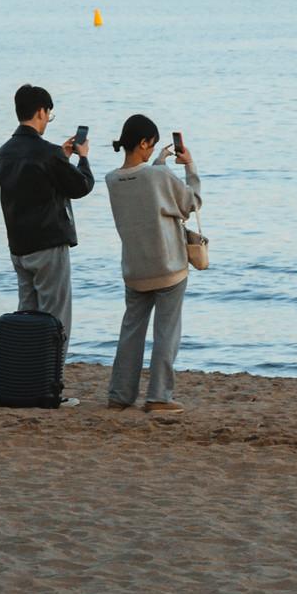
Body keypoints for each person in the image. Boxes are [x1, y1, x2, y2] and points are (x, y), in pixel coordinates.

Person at [104, 115, 201, 421]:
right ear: (144, 142)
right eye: (152, 145)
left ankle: (120, 395)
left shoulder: (111, 179)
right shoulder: (158, 177)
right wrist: (189, 166)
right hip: (168, 265)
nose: (151, 150)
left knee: (131, 332)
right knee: (166, 333)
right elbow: (191, 202)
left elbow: (144, 184)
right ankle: (159, 396)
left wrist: (159, 162)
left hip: (135, 268)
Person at [0, 83, 94, 374]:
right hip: (48, 245)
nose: (48, 120)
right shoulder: (47, 153)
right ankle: (51, 381)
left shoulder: (5, 152)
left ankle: (26, 380)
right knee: (56, 319)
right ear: (41, 111)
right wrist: (83, 157)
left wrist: (60, 158)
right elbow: (81, 186)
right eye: (49, 114)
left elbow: (30, 184)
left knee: (27, 316)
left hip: (19, 247)